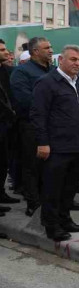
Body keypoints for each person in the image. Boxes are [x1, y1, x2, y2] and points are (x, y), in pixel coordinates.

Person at [31, 45, 79, 242]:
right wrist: (43, 143)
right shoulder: (47, 82)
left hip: (77, 145)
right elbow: (38, 115)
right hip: (56, 147)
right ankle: (51, 225)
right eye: (73, 59)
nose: (78, 63)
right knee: (52, 188)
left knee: (70, 188)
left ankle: (65, 220)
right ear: (60, 60)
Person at [10, 37, 69, 216]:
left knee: (51, 167)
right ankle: (33, 204)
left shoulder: (54, 71)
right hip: (31, 127)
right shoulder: (21, 72)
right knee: (32, 165)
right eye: (47, 48)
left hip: (55, 128)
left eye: (51, 47)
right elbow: (26, 101)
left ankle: (49, 203)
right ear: (35, 51)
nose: (51, 50)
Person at [0, 40, 17, 210]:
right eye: (2, 50)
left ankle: (1, 194)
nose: (7, 52)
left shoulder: (9, 71)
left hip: (6, 124)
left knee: (4, 161)